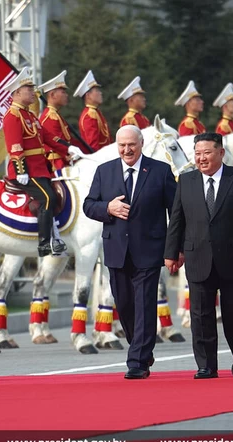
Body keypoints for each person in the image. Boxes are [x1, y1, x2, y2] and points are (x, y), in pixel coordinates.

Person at [164, 132, 233, 379]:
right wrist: (172, 253)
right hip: (198, 257)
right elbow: (177, 221)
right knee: (201, 314)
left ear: (221, 153)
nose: (201, 158)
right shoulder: (186, 181)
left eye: (207, 153)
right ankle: (206, 365)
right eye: (197, 154)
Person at [83, 126, 177, 379]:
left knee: (145, 304)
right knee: (124, 304)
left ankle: (137, 361)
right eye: (122, 145)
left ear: (141, 143)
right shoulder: (105, 171)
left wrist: (175, 247)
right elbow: (89, 206)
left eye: (131, 145)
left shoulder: (160, 171)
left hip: (149, 249)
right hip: (116, 251)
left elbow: (176, 211)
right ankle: (143, 349)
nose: (127, 150)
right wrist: (108, 208)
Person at [3, 67, 72, 257]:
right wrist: (20, 170)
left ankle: (57, 236)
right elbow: (15, 146)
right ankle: (44, 243)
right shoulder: (13, 116)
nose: (34, 92)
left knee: (55, 196)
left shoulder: (30, 115)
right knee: (47, 198)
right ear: (17, 93)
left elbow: (48, 137)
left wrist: (68, 148)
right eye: (29, 89)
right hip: (26, 171)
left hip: (40, 168)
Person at [38, 70, 74, 172]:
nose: (66, 95)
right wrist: (68, 152)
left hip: (63, 160)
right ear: (53, 95)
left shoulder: (56, 115)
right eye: (63, 92)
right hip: (56, 164)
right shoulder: (50, 117)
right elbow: (56, 142)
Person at [75, 70, 111, 152]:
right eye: (97, 91)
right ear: (88, 96)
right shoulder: (89, 115)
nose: (100, 93)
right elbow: (93, 144)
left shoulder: (96, 112)